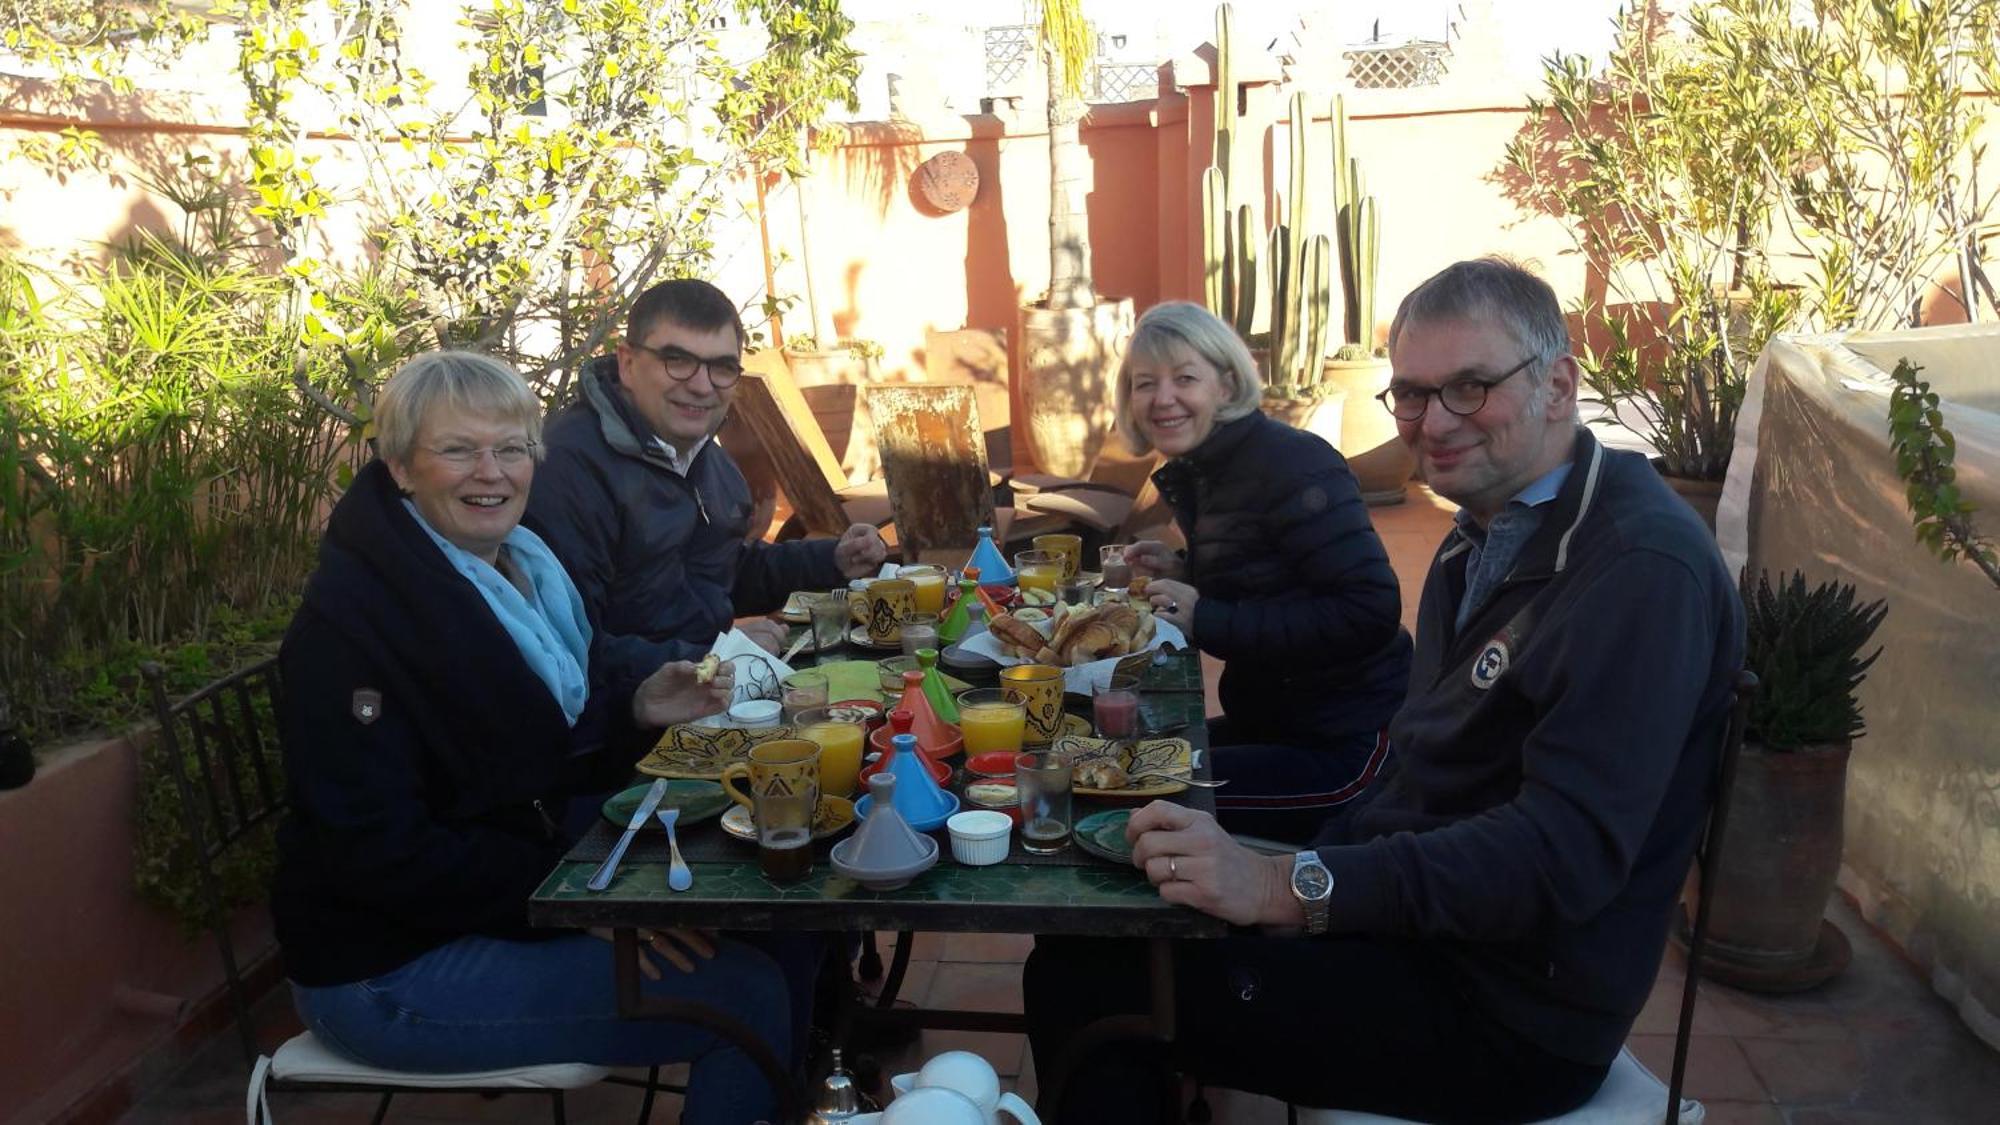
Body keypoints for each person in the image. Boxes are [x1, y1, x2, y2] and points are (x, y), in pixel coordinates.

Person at [1024, 259, 1745, 1122]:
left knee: (1089, 977)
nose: (1433, 422)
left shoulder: (1637, 569)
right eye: (1410, 393)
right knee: (1104, 905)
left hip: (1510, 1015)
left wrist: (1292, 887)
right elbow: (1420, 770)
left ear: (1559, 384)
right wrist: (1294, 865)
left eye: (1469, 388)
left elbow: (1562, 855)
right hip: (1422, 932)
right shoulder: (1479, 537)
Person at [273, 351, 807, 1125]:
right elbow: (378, 853)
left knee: (776, 911)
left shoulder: (516, 570)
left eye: (512, 447)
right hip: (387, 966)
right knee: (748, 996)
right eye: (457, 449)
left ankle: (802, 1093)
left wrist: (635, 708)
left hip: (502, 889)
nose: (490, 471)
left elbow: (530, 748)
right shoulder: (353, 629)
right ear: (399, 467)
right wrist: (571, 900)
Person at [1113, 301, 1411, 842]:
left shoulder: (1292, 464)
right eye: (1144, 383)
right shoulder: (1209, 469)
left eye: (1184, 378)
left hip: (1346, 745)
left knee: (1132, 805)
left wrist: (1206, 616)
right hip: (1276, 724)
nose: (1162, 399)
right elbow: (1269, 576)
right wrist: (1189, 571)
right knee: (1117, 768)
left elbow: (1368, 610)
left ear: (1226, 385)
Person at [527, 278, 887, 683]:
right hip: (627, 725)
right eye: (677, 361)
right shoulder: (567, 470)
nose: (701, 386)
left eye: (721, 367)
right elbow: (568, 650)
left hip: (708, 688)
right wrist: (714, 654)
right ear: (627, 363)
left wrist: (832, 558)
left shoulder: (704, 456)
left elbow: (723, 572)